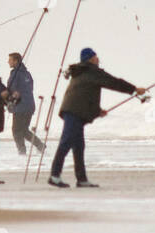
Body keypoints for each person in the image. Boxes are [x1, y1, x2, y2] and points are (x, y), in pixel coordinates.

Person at [49, 48, 145, 188]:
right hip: (74, 112)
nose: (98, 59)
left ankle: (81, 180)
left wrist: (97, 111)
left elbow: (85, 94)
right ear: (90, 59)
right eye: (96, 57)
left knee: (78, 146)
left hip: (74, 110)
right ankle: (54, 176)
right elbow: (113, 82)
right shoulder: (91, 71)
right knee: (66, 143)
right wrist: (134, 89)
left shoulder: (82, 72)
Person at [5, 52, 44, 155]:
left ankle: (22, 152)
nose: (8, 61)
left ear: (16, 61)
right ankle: (40, 146)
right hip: (30, 105)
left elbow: (12, 91)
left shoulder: (15, 74)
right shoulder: (27, 74)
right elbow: (29, 88)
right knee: (24, 130)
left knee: (16, 131)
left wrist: (10, 99)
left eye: (10, 60)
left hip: (21, 106)